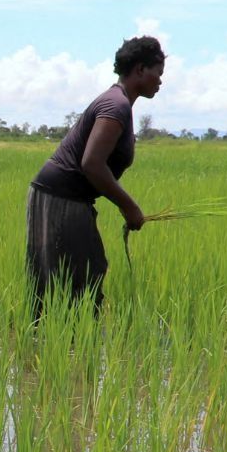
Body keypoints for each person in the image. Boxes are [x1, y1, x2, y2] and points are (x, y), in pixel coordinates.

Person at [26, 35, 165, 315]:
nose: (160, 82)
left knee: (66, 287)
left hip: (58, 197)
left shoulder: (117, 102)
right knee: (80, 289)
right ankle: (70, 353)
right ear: (140, 70)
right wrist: (130, 207)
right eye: (157, 73)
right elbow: (92, 163)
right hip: (62, 201)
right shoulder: (116, 105)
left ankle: (56, 352)